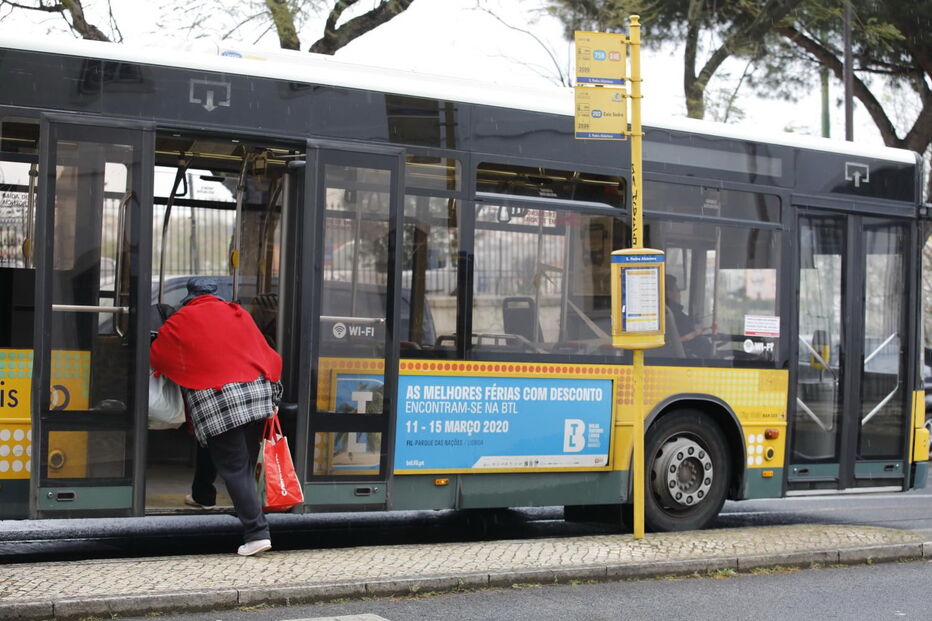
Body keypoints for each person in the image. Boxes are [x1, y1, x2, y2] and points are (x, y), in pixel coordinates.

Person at [150, 276, 282, 556]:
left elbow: (158, 358)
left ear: (190, 295)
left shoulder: (181, 319)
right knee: (217, 443)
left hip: (221, 399)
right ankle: (203, 495)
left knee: (235, 466)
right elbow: (269, 353)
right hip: (257, 394)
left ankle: (257, 532)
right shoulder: (239, 314)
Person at [665, 274, 713, 358]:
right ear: (668, 293)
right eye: (677, 290)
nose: (680, 294)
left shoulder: (665, 312)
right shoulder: (673, 315)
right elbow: (691, 340)